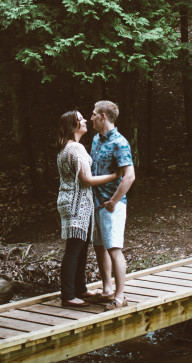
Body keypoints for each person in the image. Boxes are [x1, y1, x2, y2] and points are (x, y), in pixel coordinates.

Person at [55, 110, 117, 307]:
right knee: (74, 249)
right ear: (73, 125)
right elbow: (87, 180)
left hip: (68, 200)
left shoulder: (64, 148)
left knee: (79, 247)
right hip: (77, 202)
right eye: (80, 119)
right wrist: (115, 176)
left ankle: (79, 289)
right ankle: (68, 295)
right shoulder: (76, 149)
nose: (84, 121)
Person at [89, 99, 135, 311]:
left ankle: (120, 296)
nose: (91, 119)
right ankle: (107, 290)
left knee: (114, 248)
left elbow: (129, 176)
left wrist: (113, 201)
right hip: (96, 203)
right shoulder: (96, 140)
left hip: (112, 206)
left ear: (103, 116)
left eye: (94, 115)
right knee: (100, 246)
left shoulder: (120, 142)